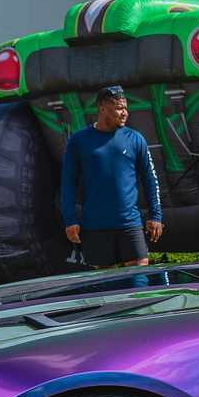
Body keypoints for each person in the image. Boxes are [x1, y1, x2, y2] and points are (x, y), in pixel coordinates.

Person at [60, 85, 163, 268]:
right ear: (102, 109)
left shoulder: (135, 139)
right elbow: (68, 183)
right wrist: (70, 219)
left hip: (130, 225)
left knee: (139, 283)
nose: (125, 113)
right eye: (118, 108)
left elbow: (150, 179)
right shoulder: (78, 141)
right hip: (95, 228)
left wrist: (156, 215)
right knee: (105, 291)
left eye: (126, 108)